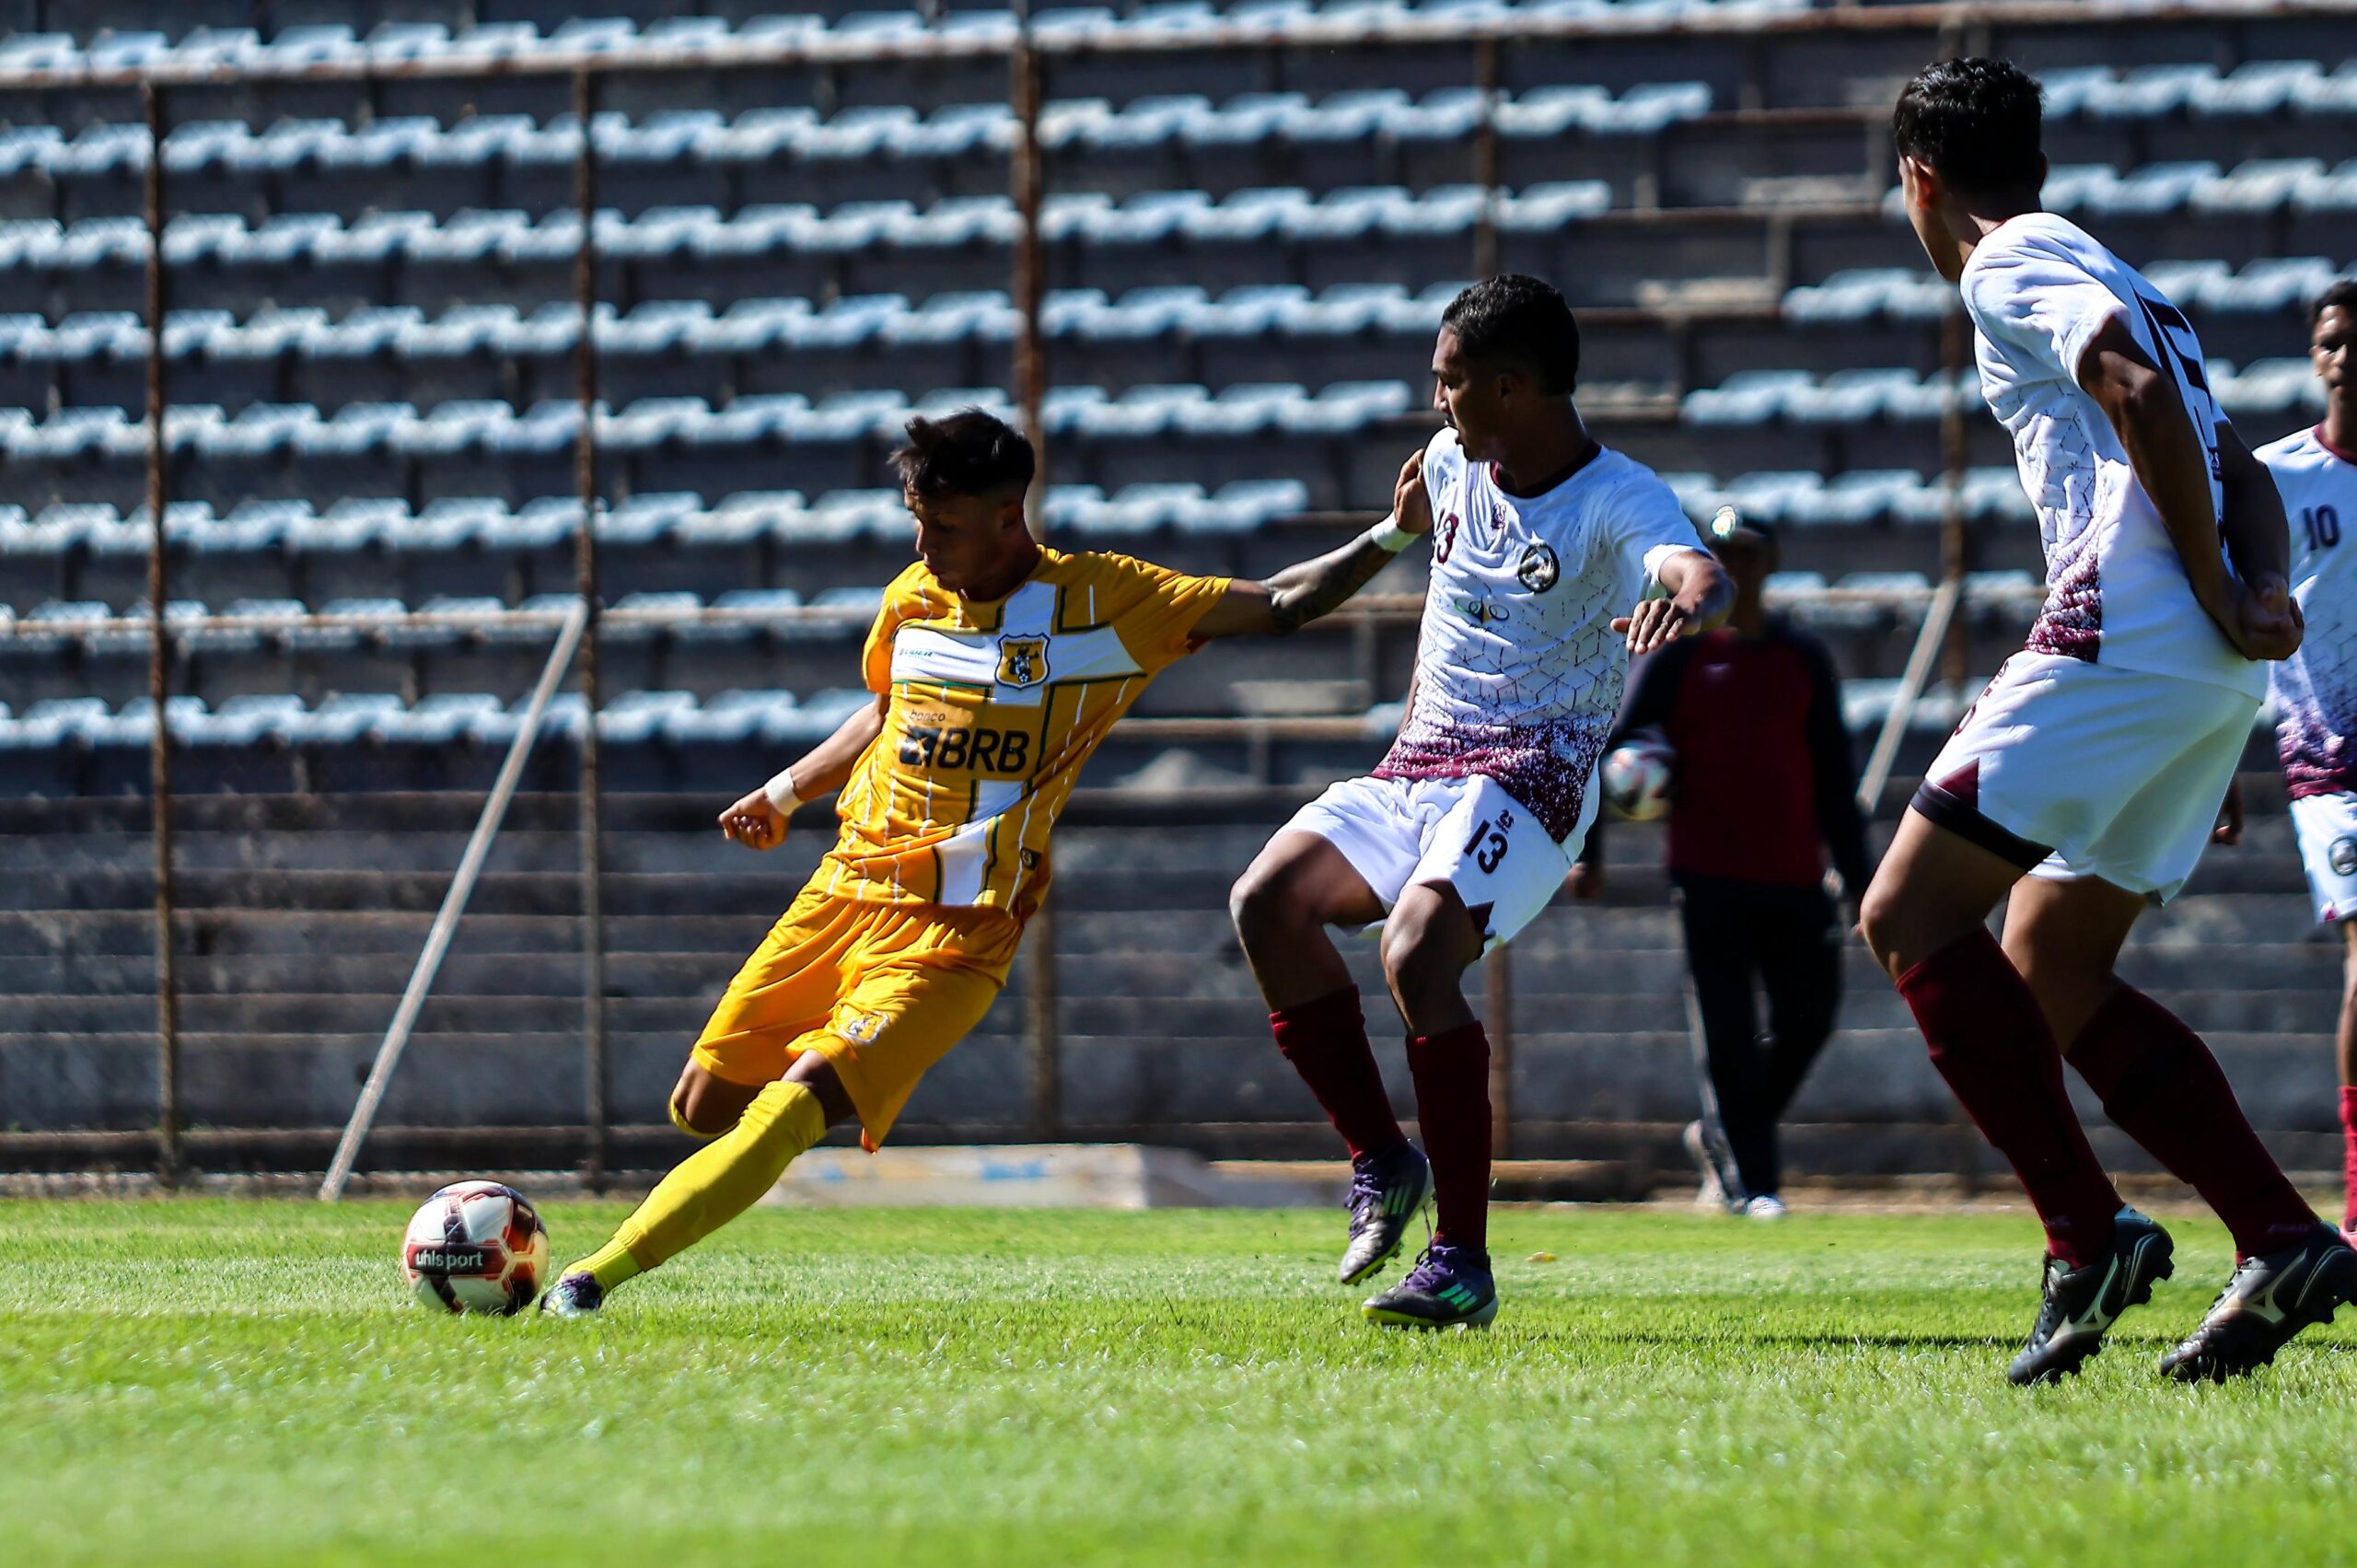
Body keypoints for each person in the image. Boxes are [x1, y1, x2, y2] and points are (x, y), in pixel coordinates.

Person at [542, 408, 1433, 1315]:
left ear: (1010, 515)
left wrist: (1393, 533)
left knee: (804, 1096)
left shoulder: (1107, 602)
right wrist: (785, 793)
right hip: (842, 890)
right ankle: (743, 1159)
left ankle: (591, 1279)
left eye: (945, 526)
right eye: (916, 521)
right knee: (700, 1108)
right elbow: (886, 710)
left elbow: (1283, 601)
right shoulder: (911, 598)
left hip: (955, 930)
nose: (925, 544)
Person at [1860, 56, 2355, 1385]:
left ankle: (2086, 1237)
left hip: (2122, 634)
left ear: (1921, 180)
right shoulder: (2128, 273)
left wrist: (2202, 592)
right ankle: (2279, 1231)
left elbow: (2136, 402)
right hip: (2190, 666)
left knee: (1905, 914)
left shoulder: (2005, 260)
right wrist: (2244, 599)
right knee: (2051, 952)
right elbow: (2240, 463)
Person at [1230, 275, 1732, 1330]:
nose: (1436, 402)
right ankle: (1381, 1160)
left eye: (1450, 382)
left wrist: (1689, 598)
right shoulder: (1454, 463)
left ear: (1511, 388)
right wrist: (1394, 532)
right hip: (1421, 761)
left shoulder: (1614, 495)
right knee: (1265, 902)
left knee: (1414, 953)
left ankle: (1460, 1259)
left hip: (1535, 770)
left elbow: (1692, 564)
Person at [1573, 508, 1871, 1219]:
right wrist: (1591, 849)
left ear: (1769, 564)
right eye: (1721, 555)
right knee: (1727, 1029)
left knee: (1810, 1017)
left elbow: (1834, 777)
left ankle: (1724, 1133)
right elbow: (1617, 746)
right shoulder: (1677, 654)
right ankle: (1753, 1184)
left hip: (1796, 873)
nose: (1734, 568)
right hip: (1710, 874)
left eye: (1747, 554)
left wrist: (1864, 884)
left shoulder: (1803, 658)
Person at [2255, 277, 2357, 1246]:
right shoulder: (2275, 480)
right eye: (2332, 341)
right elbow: (2219, 620)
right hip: (2331, 761)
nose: (2345, 356)